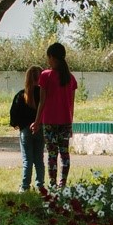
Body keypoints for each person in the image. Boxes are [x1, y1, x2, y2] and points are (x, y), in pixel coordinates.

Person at [34, 42, 78, 189]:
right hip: (66, 122)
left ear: (52, 57)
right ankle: (63, 183)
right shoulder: (71, 78)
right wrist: (70, 124)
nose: (48, 61)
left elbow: (42, 101)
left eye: (48, 58)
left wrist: (37, 122)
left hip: (49, 122)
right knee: (64, 154)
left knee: (52, 154)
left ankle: (52, 184)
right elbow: (71, 105)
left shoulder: (45, 75)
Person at [10, 63, 44, 191]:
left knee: (27, 160)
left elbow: (14, 113)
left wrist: (17, 124)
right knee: (39, 159)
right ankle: (40, 185)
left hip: (25, 130)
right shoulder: (43, 94)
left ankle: (25, 186)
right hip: (41, 128)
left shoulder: (21, 95)